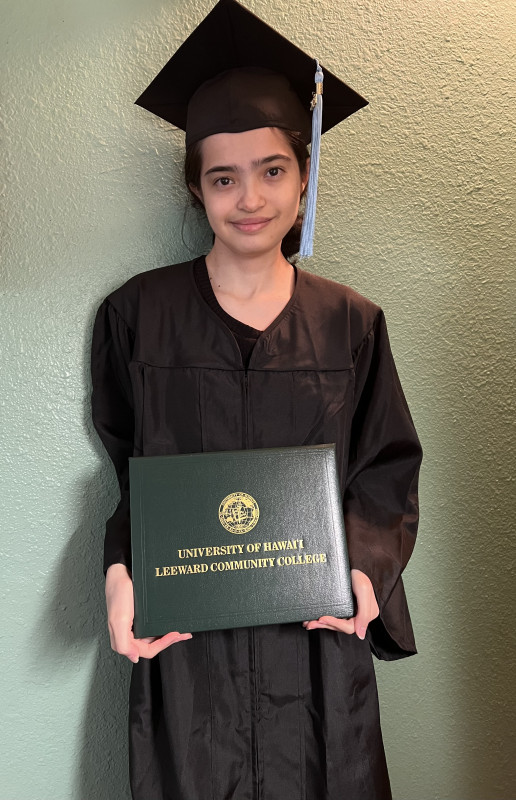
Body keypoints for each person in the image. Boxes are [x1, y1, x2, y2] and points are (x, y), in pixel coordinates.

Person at [91, 1, 422, 798]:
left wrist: (368, 577)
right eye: (223, 177)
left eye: (273, 170)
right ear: (196, 191)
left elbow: (384, 470)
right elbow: (135, 474)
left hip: (312, 637)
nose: (250, 197)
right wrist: (119, 575)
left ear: (305, 178)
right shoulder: (138, 316)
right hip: (188, 643)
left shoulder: (352, 323)